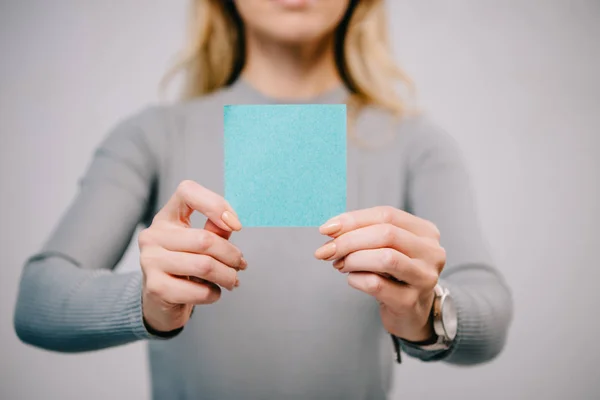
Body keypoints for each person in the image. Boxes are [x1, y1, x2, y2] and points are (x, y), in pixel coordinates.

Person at [13, 0, 513, 399]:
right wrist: (149, 301)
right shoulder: (153, 135)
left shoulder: (415, 142)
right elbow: (37, 302)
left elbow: (490, 312)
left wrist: (427, 312)